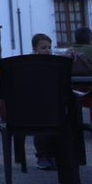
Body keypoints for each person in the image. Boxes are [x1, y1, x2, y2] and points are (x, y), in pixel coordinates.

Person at [30, 33, 57, 170]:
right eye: (44, 47)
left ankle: (55, 154)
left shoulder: (55, 65)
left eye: (49, 47)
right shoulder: (29, 66)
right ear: (35, 49)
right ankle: (43, 155)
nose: (48, 50)